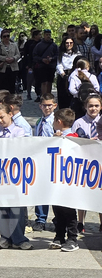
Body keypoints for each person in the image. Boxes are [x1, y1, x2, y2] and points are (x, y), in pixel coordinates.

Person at [0, 104, 32, 250]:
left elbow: (19, 149)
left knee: (16, 208)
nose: (0, 120)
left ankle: (19, 238)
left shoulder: (19, 131)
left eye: (2, 117)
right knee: (1, 208)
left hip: (15, 175)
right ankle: (5, 237)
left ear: (10, 114)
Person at [71, 92, 101, 234]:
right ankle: (80, 221)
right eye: (90, 106)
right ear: (85, 107)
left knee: (99, 193)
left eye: (96, 106)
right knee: (83, 193)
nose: (93, 109)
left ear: (100, 107)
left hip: (100, 162)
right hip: (84, 162)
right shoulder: (79, 122)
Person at [50, 108, 80, 251]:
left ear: (59, 121)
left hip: (69, 181)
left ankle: (72, 238)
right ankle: (59, 236)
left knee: (69, 210)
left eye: (54, 120)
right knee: (57, 209)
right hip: (57, 180)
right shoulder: (55, 137)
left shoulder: (75, 137)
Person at [31, 94, 57, 231]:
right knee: (40, 189)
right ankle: (40, 218)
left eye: (49, 105)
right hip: (40, 159)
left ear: (55, 106)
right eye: (44, 105)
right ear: (40, 106)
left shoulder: (56, 121)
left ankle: (58, 217)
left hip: (53, 159)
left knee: (54, 189)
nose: (47, 108)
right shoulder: (39, 121)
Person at [0, 29, 21, 94]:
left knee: (12, 85)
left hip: (13, 68)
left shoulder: (14, 45)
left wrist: (13, 58)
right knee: (2, 86)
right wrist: (5, 59)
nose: (6, 38)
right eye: (4, 36)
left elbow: (18, 54)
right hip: (2, 68)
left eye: (8, 36)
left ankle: (11, 100)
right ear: (1, 37)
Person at [34, 29, 58, 98]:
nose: (48, 36)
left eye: (49, 35)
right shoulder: (39, 45)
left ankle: (49, 96)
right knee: (44, 82)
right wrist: (42, 59)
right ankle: (44, 96)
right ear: (44, 35)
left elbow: (57, 55)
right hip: (42, 66)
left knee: (50, 82)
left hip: (51, 66)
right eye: (46, 35)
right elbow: (35, 56)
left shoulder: (54, 45)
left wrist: (51, 59)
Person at [56, 36, 79, 109]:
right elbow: (59, 65)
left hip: (73, 75)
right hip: (63, 76)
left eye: (71, 43)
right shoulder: (61, 54)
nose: (69, 44)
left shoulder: (77, 54)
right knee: (62, 97)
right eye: (67, 43)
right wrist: (63, 74)